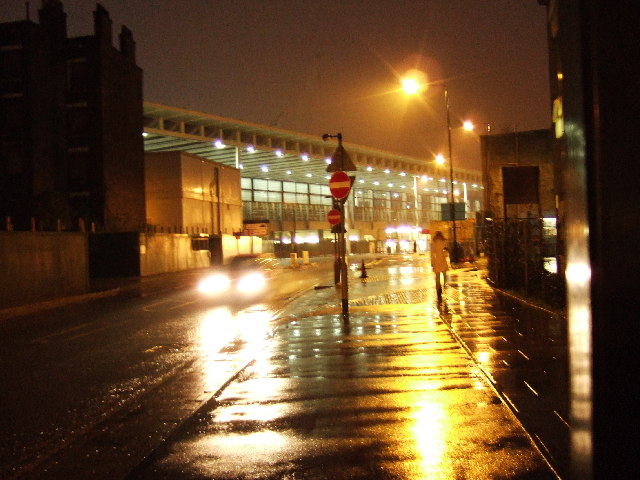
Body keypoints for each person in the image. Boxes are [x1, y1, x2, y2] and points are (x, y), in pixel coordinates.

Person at [430, 231, 449, 302]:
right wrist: (444, 254)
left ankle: (439, 289)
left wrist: (432, 262)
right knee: (444, 276)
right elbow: (446, 252)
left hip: (437, 261)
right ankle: (443, 287)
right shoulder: (444, 242)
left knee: (438, 277)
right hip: (442, 260)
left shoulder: (434, 243)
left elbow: (432, 254)